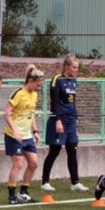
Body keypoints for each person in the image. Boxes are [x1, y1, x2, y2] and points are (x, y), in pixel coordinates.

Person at [41, 54, 89, 192]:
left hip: (71, 121)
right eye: (74, 67)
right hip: (60, 120)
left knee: (72, 150)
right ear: (67, 66)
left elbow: (72, 101)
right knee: (54, 151)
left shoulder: (74, 81)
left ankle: (75, 183)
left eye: (77, 68)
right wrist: (58, 120)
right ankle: (45, 181)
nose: (76, 70)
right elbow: (54, 102)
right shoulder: (57, 80)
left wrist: (76, 117)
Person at [3, 64, 45, 204]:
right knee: (18, 163)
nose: (40, 87)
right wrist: (15, 130)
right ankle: (11, 195)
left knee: (33, 163)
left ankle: (24, 192)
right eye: (38, 85)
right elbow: (7, 113)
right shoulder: (18, 93)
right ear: (31, 81)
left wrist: (35, 131)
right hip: (14, 135)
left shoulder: (34, 95)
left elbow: (30, 114)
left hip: (27, 136)